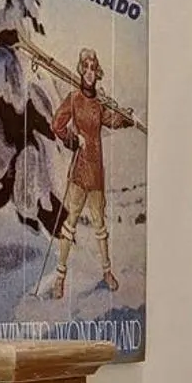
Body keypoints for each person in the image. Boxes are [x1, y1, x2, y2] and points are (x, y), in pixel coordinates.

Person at [47, 47, 136, 297]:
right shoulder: (74, 99)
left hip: (96, 172)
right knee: (70, 224)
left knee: (100, 225)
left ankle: (107, 271)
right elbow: (57, 124)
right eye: (85, 67)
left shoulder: (99, 103)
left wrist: (126, 118)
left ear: (97, 73)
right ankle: (60, 277)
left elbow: (112, 120)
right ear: (80, 70)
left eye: (93, 68)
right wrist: (73, 139)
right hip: (78, 172)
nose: (89, 72)